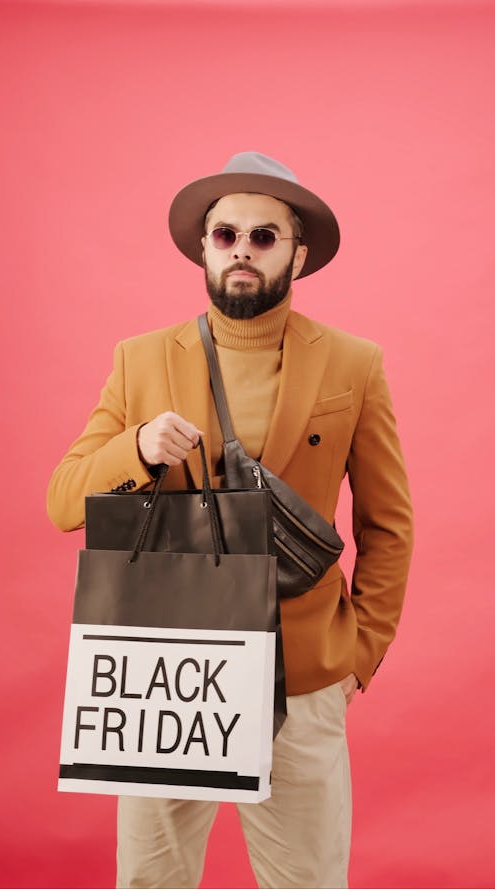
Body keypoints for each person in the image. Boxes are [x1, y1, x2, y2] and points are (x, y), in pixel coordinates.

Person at [47, 151, 413, 889]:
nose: (242, 249)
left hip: (301, 675)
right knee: (151, 880)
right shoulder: (140, 360)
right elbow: (63, 500)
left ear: (298, 252)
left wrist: (357, 656)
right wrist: (139, 446)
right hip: (167, 672)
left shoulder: (353, 364)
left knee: (308, 881)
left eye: (263, 236)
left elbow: (390, 524)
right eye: (226, 235)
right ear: (205, 247)